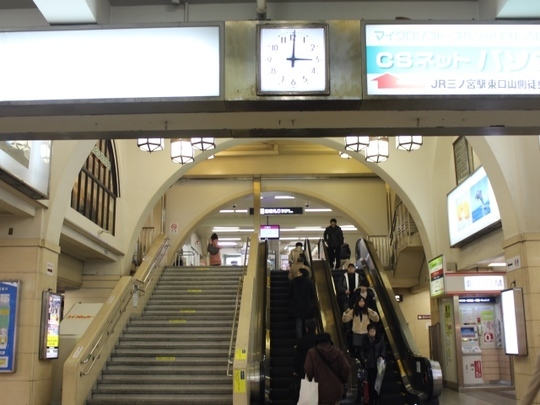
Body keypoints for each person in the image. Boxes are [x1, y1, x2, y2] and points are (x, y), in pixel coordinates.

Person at [304, 332, 351, 405]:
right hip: (336, 389)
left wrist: (311, 378)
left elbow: (308, 369)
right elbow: (346, 367)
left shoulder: (312, 353)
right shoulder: (338, 352)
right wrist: (343, 380)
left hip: (320, 390)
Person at [360, 323, 386, 405]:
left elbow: (383, 349)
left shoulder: (380, 339)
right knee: (371, 382)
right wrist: (364, 359)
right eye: (370, 331)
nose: (372, 333)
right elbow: (362, 351)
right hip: (369, 364)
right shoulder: (365, 339)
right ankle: (371, 399)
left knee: (378, 382)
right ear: (368, 332)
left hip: (378, 364)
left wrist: (382, 356)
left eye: (373, 331)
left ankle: (377, 398)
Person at [289, 268, 316, 340]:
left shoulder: (293, 281)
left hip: (296, 307)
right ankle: (308, 342)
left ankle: (299, 343)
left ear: (301, 273)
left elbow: (290, 293)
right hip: (307, 307)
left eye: (298, 272)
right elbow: (312, 295)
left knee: (298, 326)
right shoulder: (309, 282)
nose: (297, 274)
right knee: (307, 326)